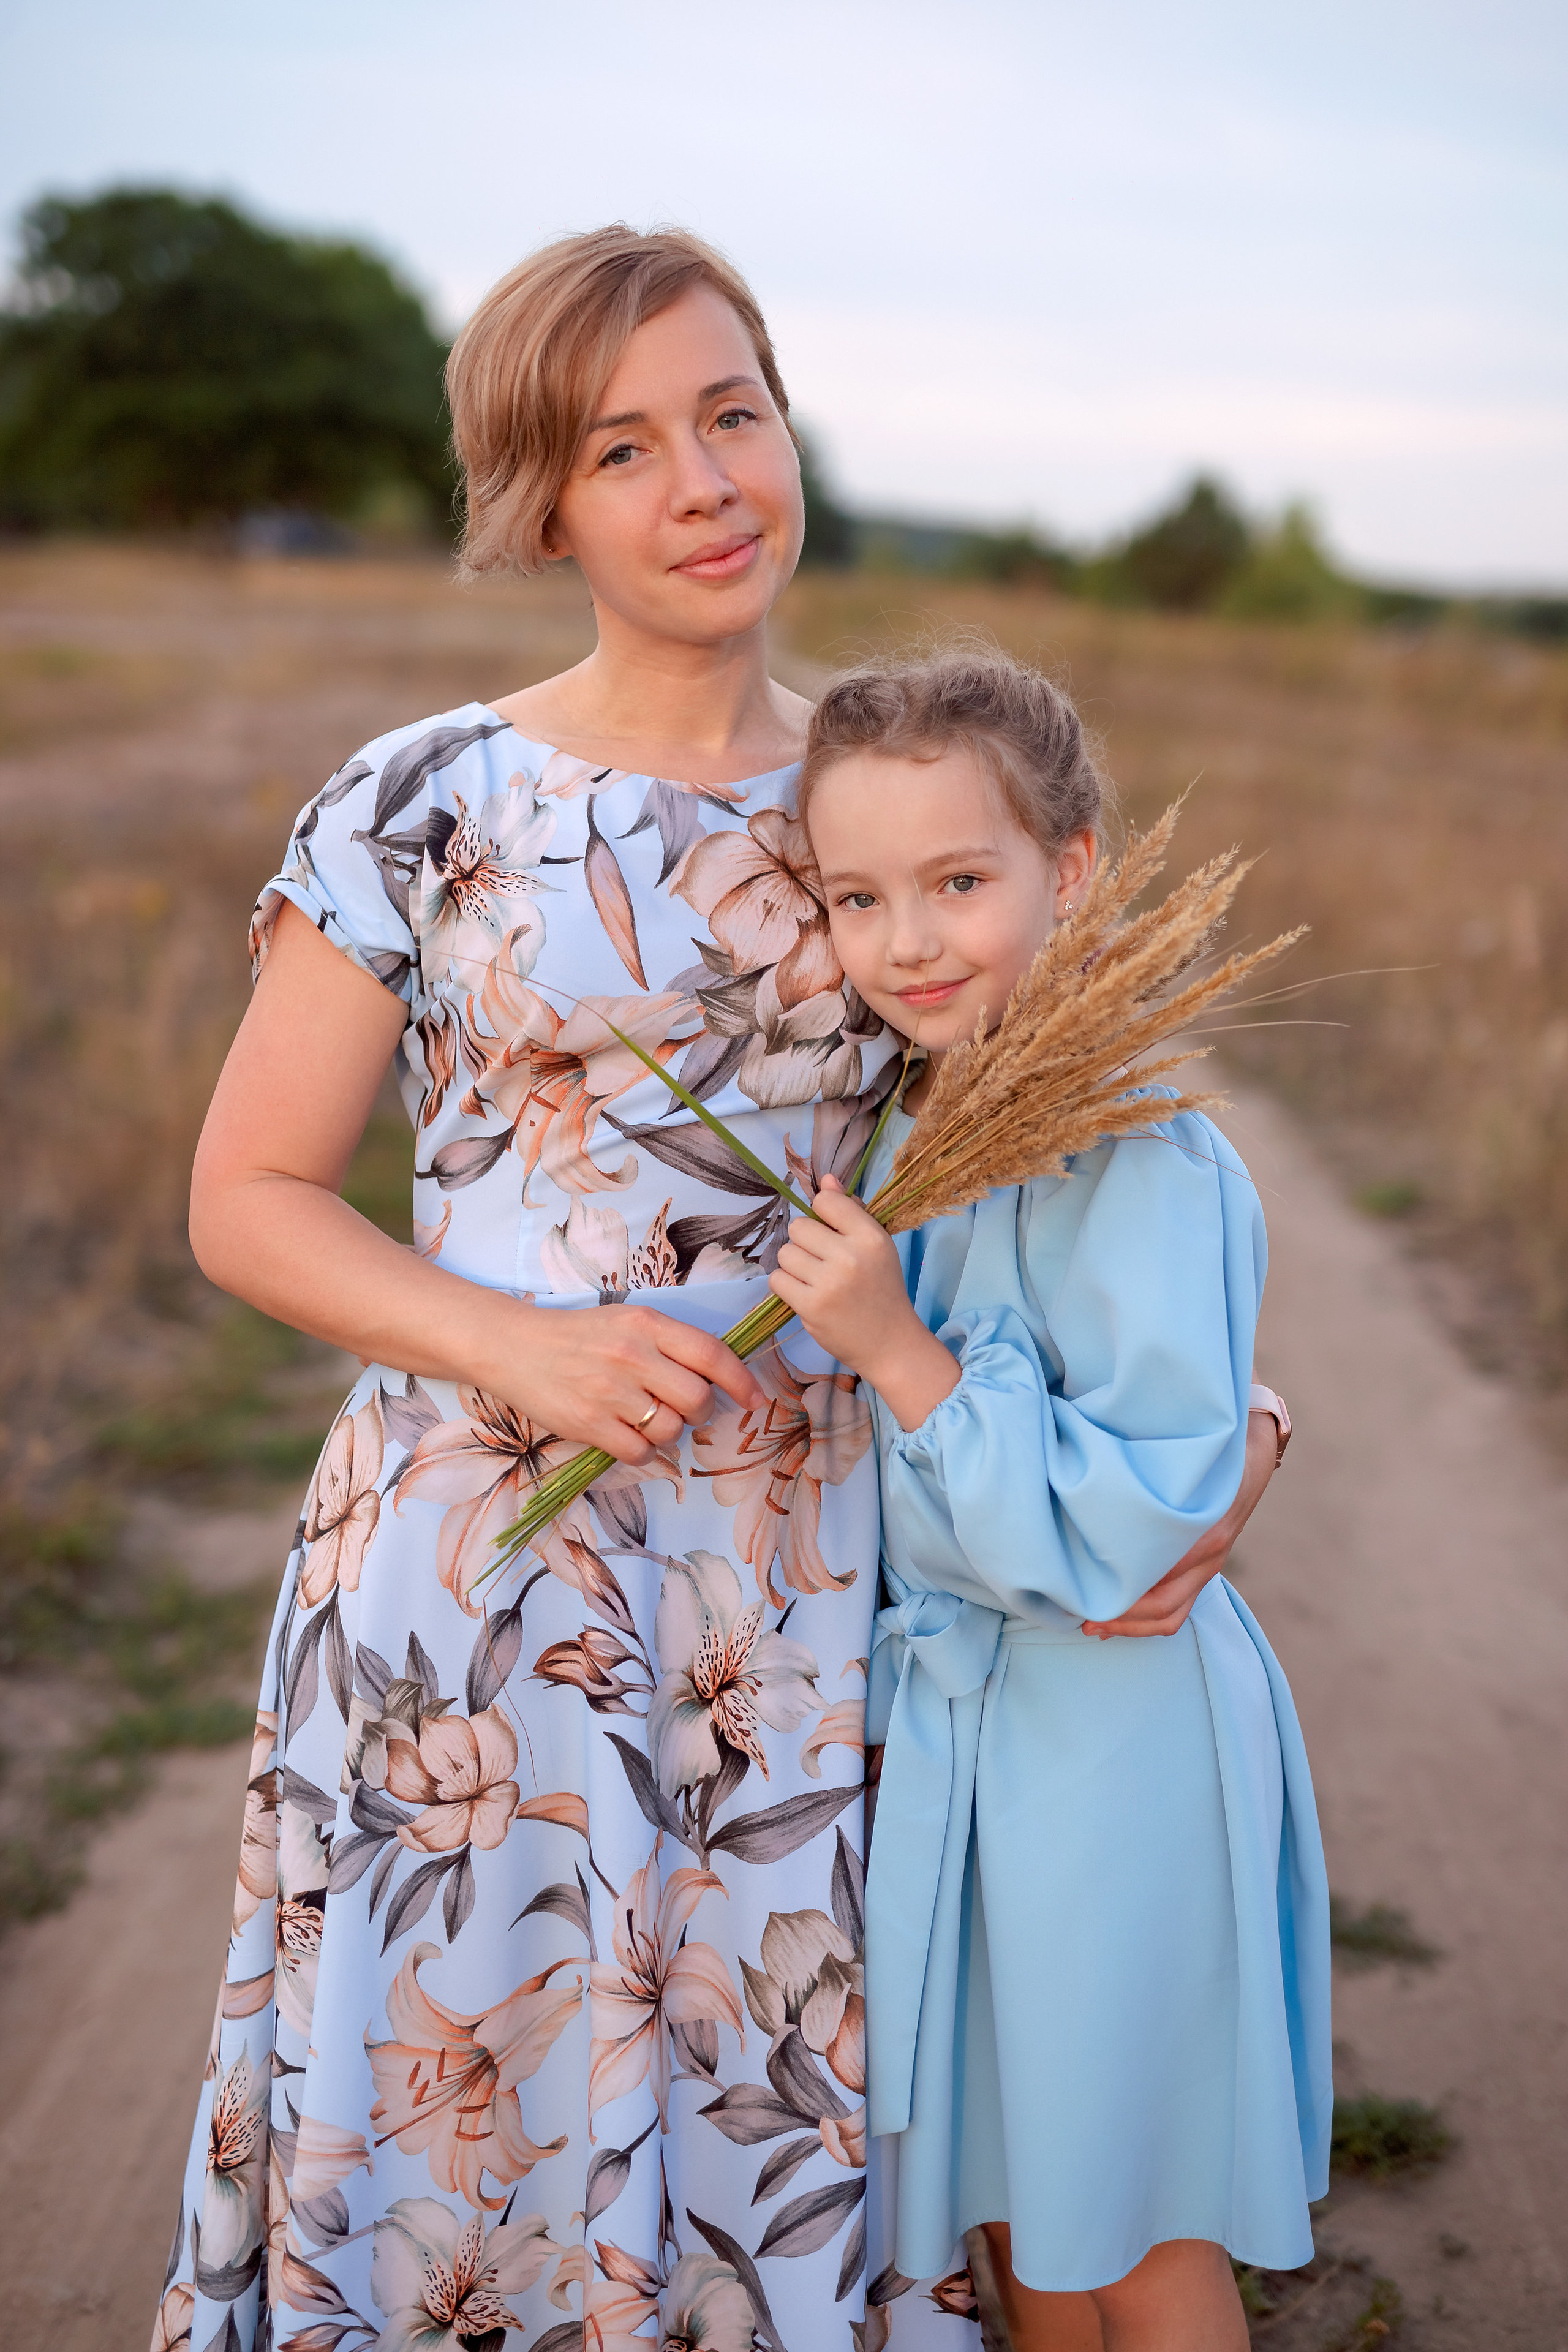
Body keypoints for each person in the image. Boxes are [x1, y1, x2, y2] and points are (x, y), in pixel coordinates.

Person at [153, 230, 1285, 2352]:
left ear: (790, 429)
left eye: (734, 413)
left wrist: (1222, 1432)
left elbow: (1065, 1188)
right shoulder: (426, 802)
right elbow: (248, 1197)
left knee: (782, 2123)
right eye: (623, 446)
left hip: (827, 1600)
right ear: (540, 502)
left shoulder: (888, 800)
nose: (703, 482)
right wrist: (519, 1344)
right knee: (478, 2136)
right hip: (485, 1577)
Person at [771, 648, 1332, 2352]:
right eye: (859, 898)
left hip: (1111, 1750)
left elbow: (1126, 1536)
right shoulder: (907, 1132)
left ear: (1071, 871)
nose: (911, 942)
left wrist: (896, 1350)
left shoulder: (1144, 1151)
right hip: (970, 1751)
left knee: (1130, 2222)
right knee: (1020, 2219)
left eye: (960, 882)